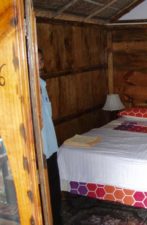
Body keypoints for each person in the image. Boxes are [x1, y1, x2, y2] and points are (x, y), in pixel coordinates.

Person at [38, 49, 62, 225]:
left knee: (53, 188)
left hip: (51, 145)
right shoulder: (29, 87)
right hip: (41, 149)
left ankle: (56, 218)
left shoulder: (41, 85)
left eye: (40, 60)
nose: (39, 63)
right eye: (36, 60)